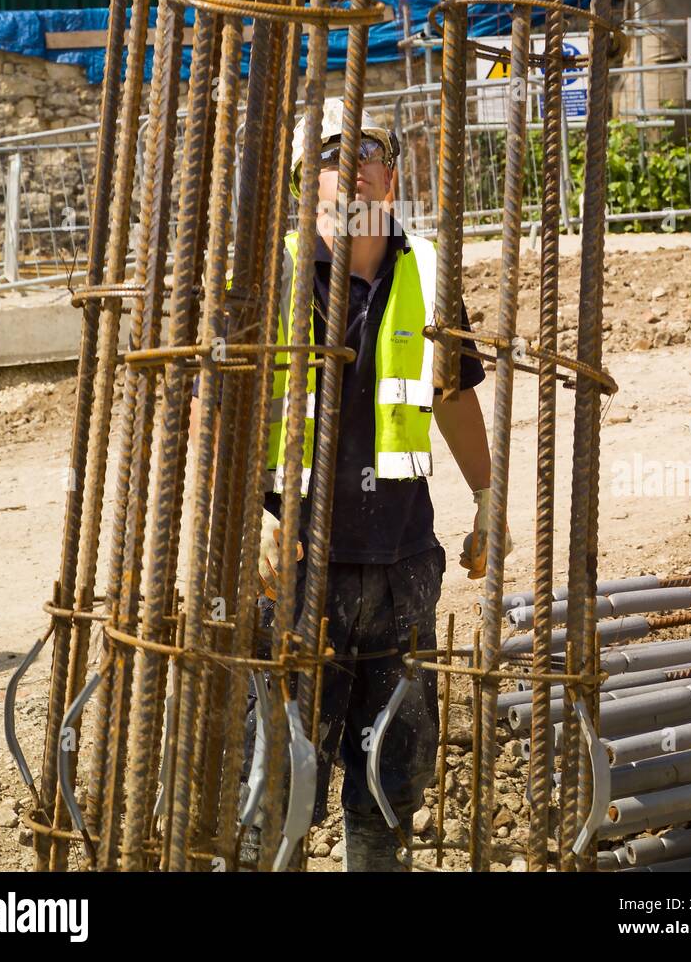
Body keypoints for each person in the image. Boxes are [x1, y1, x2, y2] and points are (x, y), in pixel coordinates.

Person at [195, 96, 511, 870]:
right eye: (332, 158)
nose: (352, 171)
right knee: (276, 787)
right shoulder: (266, 281)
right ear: (305, 186)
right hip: (296, 573)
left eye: (366, 151)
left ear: (392, 172)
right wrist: (248, 516)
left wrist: (488, 495)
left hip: (402, 566)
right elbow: (210, 411)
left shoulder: (426, 271)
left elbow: (453, 392)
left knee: (389, 787)